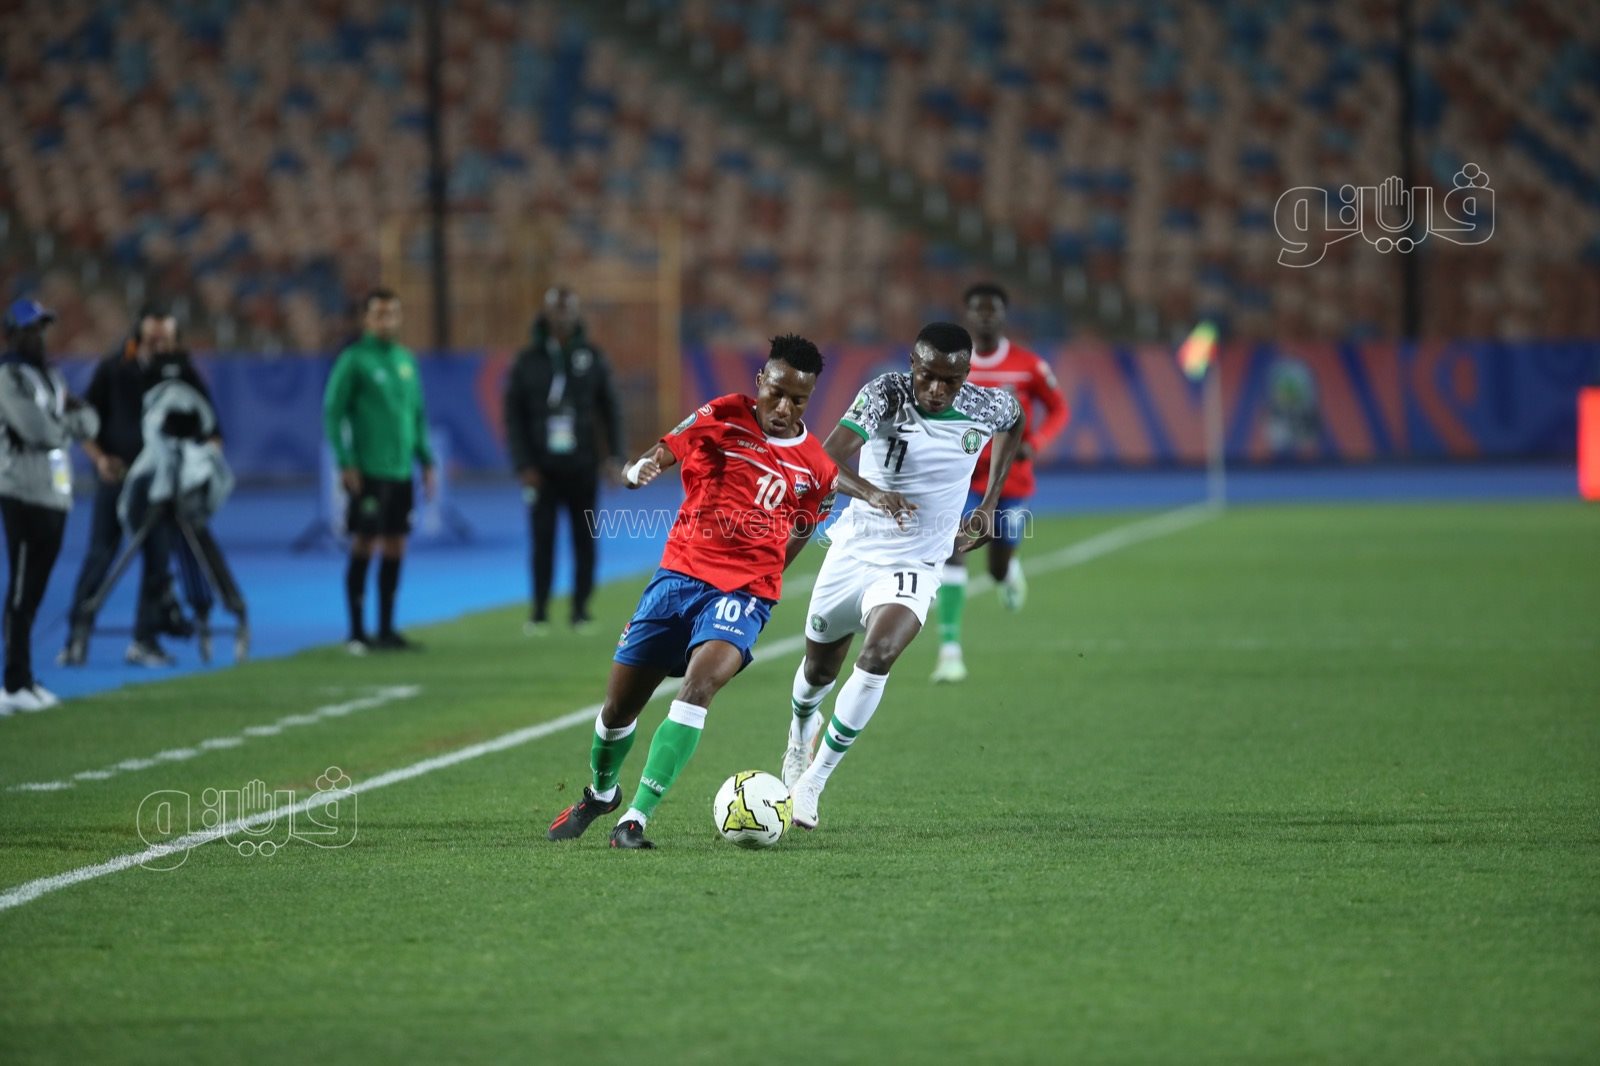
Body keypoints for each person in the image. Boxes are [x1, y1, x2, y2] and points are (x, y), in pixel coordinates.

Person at [545, 334, 838, 850]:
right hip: (678, 578)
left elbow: (802, 526)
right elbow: (670, 447)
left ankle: (635, 818)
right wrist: (642, 466)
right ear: (760, 382)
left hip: (745, 593)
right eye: (776, 393)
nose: (783, 408)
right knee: (618, 711)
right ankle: (602, 793)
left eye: (798, 400)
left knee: (698, 687)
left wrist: (768, 573)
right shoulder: (724, 413)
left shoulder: (818, 467)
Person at [782, 322, 1023, 829]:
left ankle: (813, 784)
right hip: (852, 552)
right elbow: (823, 460)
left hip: (916, 562)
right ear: (912, 364)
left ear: (966, 376)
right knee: (817, 675)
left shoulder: (984, 406)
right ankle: (800, 731)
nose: (936, 389)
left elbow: (1014, 419)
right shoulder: (885, 394)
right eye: (927, 375)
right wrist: (872, 493)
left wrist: (990, 502)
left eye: (950, 381)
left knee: (878, 655)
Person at [59, 305, 219, 667]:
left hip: (162, 485)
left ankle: (144, 642)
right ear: (138, 336)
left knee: (158, 563)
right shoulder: (114, 369)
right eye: (153, 339)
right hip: (118, 478)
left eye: (166, 339)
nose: (160, 346)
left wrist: (198, 466)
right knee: (101, 556)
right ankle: (76, 638)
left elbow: (211, 430)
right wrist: (100, 460)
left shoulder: (183, 373)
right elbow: (85, 422)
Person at [931, 283, 1068, 683]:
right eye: (978, 309)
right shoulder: (954, 364)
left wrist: (1036, 443)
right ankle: (950, 652)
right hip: (964, 478)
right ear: (968, 315)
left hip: (1011, 478)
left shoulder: (1029, 366)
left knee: (995, 566)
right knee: (953, 549)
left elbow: (1059, 409)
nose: (985, 316)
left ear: (1005, 315)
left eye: (992, 310)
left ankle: (1007, 573)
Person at [503, 286, 625, 635]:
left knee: (584, 539)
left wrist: (615, 458)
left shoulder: (592, 356)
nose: (562, 315)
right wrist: (523, 464)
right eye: (556, 309)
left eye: (567, 308)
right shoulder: (528, 360)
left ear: (576, 312)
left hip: (583, 465)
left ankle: (580, 609)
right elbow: (513, 416)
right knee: (542, 540)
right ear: (545, 313)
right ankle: (539, 610)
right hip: (541, 468)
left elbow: (610, 410)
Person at [322, 288, 435, 654]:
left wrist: (427, 461)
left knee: (397, 543)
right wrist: (346, 460)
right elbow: (333, 412)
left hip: (401, 470)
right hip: (368, 469)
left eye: (392, 314)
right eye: (379, 314)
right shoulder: (354, 360)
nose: (387, 321)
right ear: (367, 319)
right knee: (365, 541)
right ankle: (356, 632)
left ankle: (387, 629)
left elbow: (417, 415)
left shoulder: (406, 360)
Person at [0, 298, 99, 713]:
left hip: (55, 493)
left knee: (36, 590)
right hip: (21, 490)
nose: (39, 337)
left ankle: (24, 677)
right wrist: (68, 424)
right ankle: (13, 682)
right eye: (31, 329)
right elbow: (36, 430)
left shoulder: (50, 377)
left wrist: (65, 424)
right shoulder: (8, 376)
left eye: (42, 328)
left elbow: (90, 421)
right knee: (22, 589)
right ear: (13, 334)